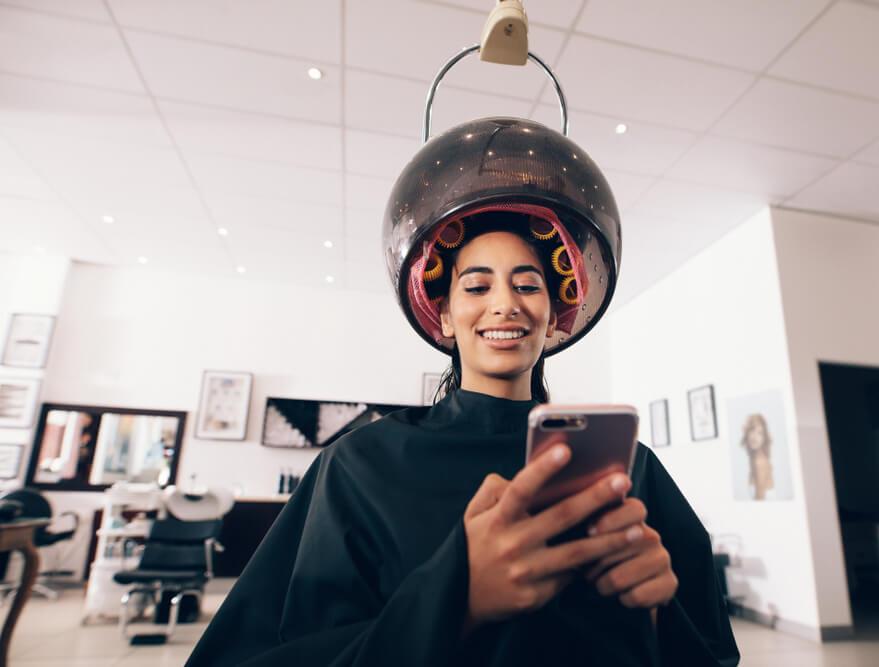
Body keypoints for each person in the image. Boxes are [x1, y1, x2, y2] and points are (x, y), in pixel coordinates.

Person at [187, 118, 738, 666]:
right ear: (444, 315)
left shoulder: (626, 470)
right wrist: (456, 599)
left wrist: (659, 612)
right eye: (477, 286)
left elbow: (710, 654)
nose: (506, 303)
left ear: (554, 318)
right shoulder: (360, 467)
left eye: (527, 284)